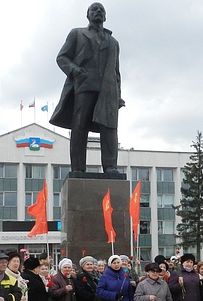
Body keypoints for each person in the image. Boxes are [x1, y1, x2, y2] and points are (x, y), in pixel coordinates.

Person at [50, 2, 125, 174]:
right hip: (84, 85)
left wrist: (118, 95)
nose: (98, 11)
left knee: (110, 128)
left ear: (105, 17)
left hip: (108, 90)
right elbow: (62, 57)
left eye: (101, 10)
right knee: (79, 126)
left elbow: (116, 71)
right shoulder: (77, 33)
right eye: (94, 9)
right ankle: (78, 167)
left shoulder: (113, 42)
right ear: (88, 15)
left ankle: (110, 166)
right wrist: (75, 71)